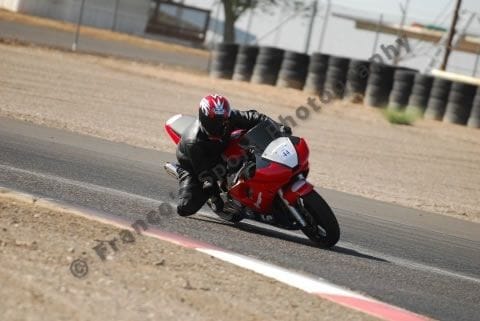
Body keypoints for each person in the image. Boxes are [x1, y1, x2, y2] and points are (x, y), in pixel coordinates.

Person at [175, 94, 290, 216]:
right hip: (195, 163)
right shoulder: (193, 142)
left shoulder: (230, 117)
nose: (222, 125)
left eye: (224, 120)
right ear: (205, 119)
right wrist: (215, 198)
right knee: (185, 208)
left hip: (223, 145)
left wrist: (279, 127)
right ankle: (182, 173)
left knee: (249, 140)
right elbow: (206, 174)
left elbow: (256, 118)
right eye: (215, 122)